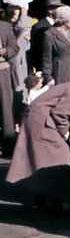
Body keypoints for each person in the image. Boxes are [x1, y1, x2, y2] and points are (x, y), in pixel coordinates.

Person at [5, 65, 70, 212]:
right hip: (43, 122)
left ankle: (50, 199)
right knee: (61, 158)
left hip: (39, 119)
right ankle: (63, 202)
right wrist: (63, 132)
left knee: (47, 161)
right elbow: (61, 113)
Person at [41, 6, 70, 85]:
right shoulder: (49, 34)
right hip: (61, 71)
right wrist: (48, 78)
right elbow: (46, 59)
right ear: (64, 21)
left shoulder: (69, 30)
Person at [0, 15, 20, 156]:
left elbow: (14, 47)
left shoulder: (4, 26)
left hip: (2, 69)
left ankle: (8, 145)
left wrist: (5, 51)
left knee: (6, 107)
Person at [29, 0, 63, 74]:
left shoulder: (61, 24)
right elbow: (36, 51)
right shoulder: (39, 26)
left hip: (60, 67)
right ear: (50, 10)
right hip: (48, 70)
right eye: (57, 8)